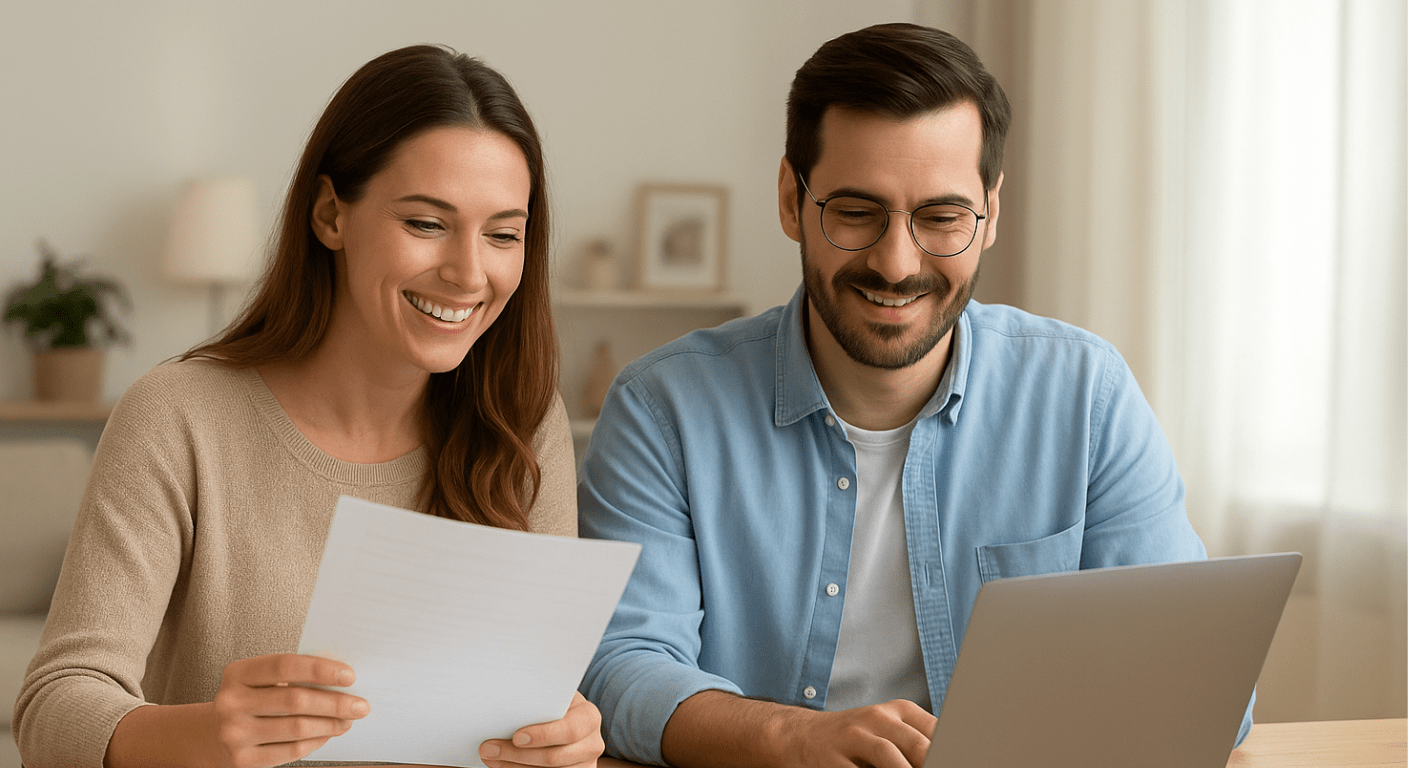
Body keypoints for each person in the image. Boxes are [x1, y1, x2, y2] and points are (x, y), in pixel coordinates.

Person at [577, 23, 1247, 768]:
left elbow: (1205, 685)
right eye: (857, 213)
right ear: (791, 201)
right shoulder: (661, 407)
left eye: (940, 217)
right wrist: (792, 739)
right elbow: (621, 667)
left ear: (990, 213)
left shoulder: (1087, 395)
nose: (897, 264)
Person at [14, 45, 602, 768]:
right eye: (425, 223)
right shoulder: (177, 416)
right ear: (330, 214)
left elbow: (529, 709)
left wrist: (563, 741)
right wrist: (206, 736)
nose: (468, 272)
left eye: (503, 234)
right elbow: (54, 707)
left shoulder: (521, 422)